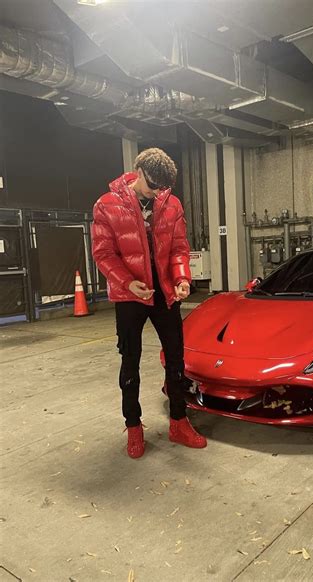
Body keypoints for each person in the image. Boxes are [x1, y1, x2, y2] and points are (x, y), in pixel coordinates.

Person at [92, 147, 207, 458]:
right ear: (139, 172)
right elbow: (103, 254)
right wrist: (127, 282)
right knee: (130, 361)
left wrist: (182, 278)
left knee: (176, 358)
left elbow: (180, 247)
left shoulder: (171, 203)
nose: (159, 192)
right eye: (153, 185)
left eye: (164, 187)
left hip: (165, 292)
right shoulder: (107, 204)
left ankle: (179, 422)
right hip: (130, 295)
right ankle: (133, 426)